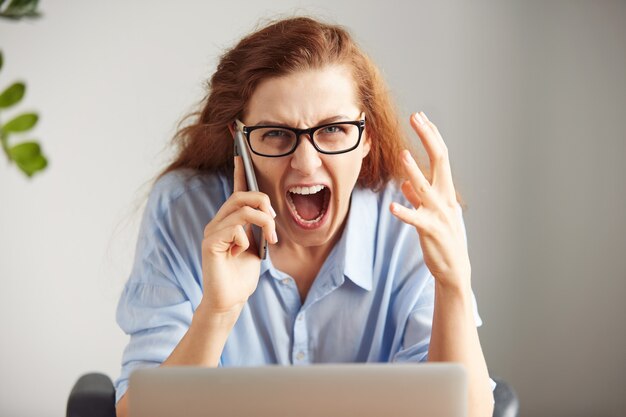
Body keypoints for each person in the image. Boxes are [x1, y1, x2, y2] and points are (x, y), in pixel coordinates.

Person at [114, 16, 494, 417]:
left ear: (366, 136)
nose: (306, 163)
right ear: (239, 141)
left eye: (333, 129)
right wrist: (218, 311)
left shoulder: (414, 220)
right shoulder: (183, 211)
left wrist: (453, 285)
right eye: (275, 133)